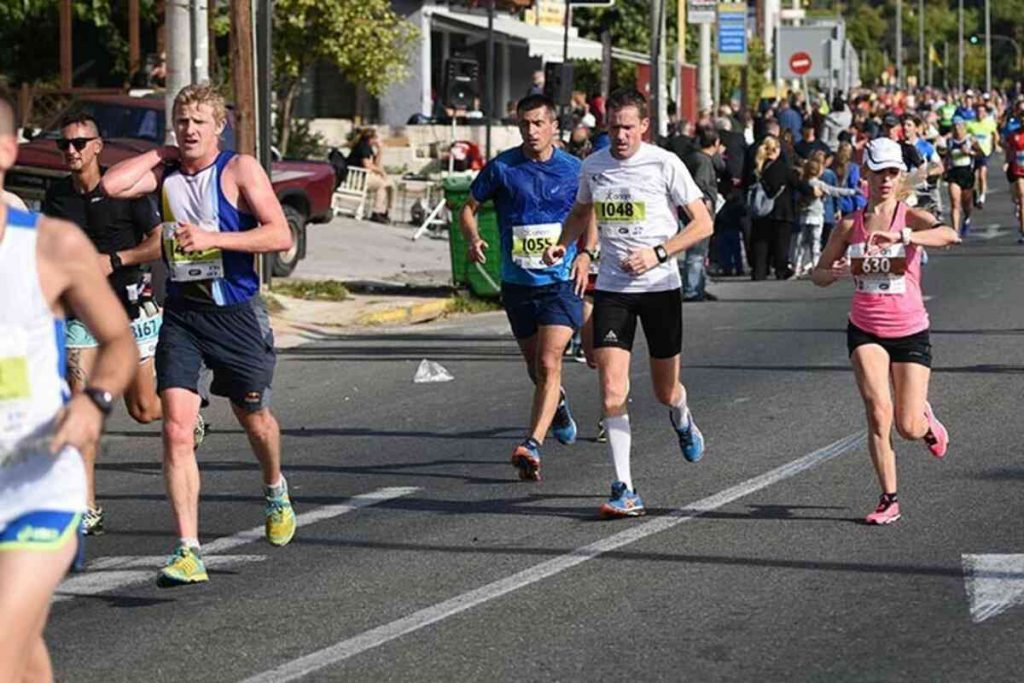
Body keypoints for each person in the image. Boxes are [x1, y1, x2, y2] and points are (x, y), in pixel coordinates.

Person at [101, 83, 296, 586]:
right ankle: (189, 549)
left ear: (219, 127)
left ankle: (275, 487)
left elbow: (280, 235)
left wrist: (214, 238)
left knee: (253, 418)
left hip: (235, 315)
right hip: (183, 315)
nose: (188, 130)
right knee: (175, 428)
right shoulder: (164, 172)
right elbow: (112, 185)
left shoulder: (239, 169)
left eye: (198, 122)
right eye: (181, 121)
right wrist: (157, 152)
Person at [0, 96, 137, 683]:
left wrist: (94, 401)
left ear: (6, 151)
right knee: (21, 650)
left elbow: (119, 342)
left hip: (38, 483)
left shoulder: (50, 247)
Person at [544, 88, 714, 518]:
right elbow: (583, 213)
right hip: (615, 290)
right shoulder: (594, 166)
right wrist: (561, 245)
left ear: (644, 127)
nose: (619, 135)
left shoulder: (665, 163)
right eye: (613, 127)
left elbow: (703, 223)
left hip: (659, 288)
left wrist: (658, 253)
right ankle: (625, 487)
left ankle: (682, 415)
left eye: (627, 127)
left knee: (664, 389)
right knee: (611, 386)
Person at [41, 111, 206, 536]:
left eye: (79, 144)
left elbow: (157, 241)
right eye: (65, 145)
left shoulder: (127, 189)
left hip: (131, 308)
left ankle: (186, 412)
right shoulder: (57, 196)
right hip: (81, 313)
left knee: (144, 408)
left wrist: (114, 261)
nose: (71, 152)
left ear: (98, 146)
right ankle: (87, 507)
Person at [811, 138, 960, 525]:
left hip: (910, 330)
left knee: (907, 426)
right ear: (866, 174)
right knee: (878, 413)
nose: (886, 180)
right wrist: (837, 271)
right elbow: (818, 274)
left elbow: (949, 236)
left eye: (893, 173)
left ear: (900, 176)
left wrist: (904, 238)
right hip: (865, 330)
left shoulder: (909, 216)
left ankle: (925, 421)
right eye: (879, 172)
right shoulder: (849, 225)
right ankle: (888, 499)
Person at [459, 94, 591, 482]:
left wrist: (586, 255)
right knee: (537, 370)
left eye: (538, 123)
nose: (531, 131)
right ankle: (559, 405)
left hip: (560, 282)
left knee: (551, 362)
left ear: (553, 127)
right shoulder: (502, 167)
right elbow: (468, 207)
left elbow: (589, 211)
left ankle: (532, 444)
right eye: (524, 125)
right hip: (518, 283)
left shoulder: (574, 169)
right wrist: (471, 238)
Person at [793, 156, 858, 277]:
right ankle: (815, 265)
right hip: (817, 216)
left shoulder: (802, 183)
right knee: (815, 242)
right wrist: (853, 191)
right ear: (818, 171)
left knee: (801, 243)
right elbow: (835, 191)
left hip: (804, 215)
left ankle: (797, 266)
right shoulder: (820, 184)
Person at [681, 124, 721, 301]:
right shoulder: (703, 161)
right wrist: (705, 201)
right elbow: (699, 183)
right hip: (701, 211)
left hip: (693, 210)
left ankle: (698, 286)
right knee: (697, 252)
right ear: (716, 143)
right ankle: (692, 289)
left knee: (700, 252)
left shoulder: (694, 157)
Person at [940, 116, 979, 236]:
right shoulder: (950, 141)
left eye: (959, 126)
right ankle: (955, 231)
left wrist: (970, 152)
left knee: (966, 204)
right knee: (955, 202)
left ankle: (967, 219)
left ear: (963, 127)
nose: (957, 129)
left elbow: (981, 154)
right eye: (955, 126)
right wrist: (944, 170)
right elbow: (946, 157)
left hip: (967, 172)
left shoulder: (970, 139)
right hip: (954, 173)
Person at [347, 128, 394, 224]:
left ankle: (385, 210)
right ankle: (376, 212)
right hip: (357, 178)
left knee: (390, 184)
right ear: (371, 139)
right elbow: (367, 165)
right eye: (376, 138)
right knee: (382, 184)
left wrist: (380, 151)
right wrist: (381, 172)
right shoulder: (362, 147)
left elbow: (376, 165)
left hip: (364, 177)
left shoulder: (368, 148)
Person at [968, 103, 999, 208]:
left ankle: (982, 197)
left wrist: (995, 145)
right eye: (978, 111)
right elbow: (965, 136)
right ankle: (975, 193)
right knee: (973, 177)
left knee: (982, 174)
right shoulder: (970, 123)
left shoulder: (990, 122)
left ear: (985, 113)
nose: (979, 114)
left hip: (984, 152)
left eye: (982, 111)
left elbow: (995, 134)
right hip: (973, 153)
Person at [1004, 117, 1024, 243]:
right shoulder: (1014, 134)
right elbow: (1010, 150)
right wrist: (1007, 162)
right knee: (1022, 198)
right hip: (1019, 171)